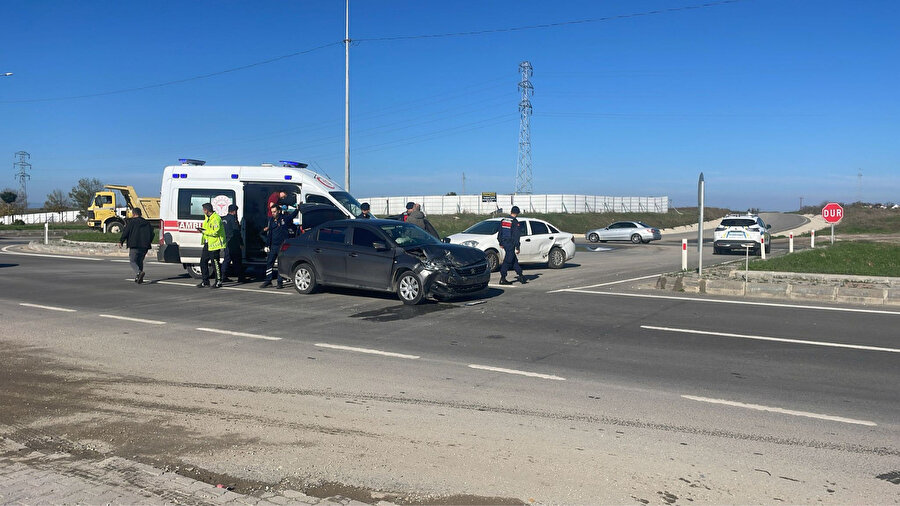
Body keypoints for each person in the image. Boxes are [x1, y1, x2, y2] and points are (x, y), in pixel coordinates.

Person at [260, 203, 295, 289]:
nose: (273, 213)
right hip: (273, 246)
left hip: (282, 246)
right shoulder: (271, 220)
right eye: (272, 212)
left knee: (280, 264)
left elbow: (292, 216)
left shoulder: (284, 219)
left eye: (275, 212)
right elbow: (270, 234)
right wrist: (267, 245)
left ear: (279, 211)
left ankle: (280, 282)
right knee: (269, 263)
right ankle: (268, 280)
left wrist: (298, 209)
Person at [118, 207, 153, 284]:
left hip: (134, 245)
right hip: (145, 246)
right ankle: (139, 278)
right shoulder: (147, 223)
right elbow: (152, 234)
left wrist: (121, 241)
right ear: (140, 214)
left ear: (133, 214)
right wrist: (148, 242)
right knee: (140, 261)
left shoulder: (131, 222)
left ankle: (139, 272)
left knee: (133, 261)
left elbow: (126, 232)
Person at [198, 203, 226, 288]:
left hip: (215, 244)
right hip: (208, 243)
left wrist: (203, 231)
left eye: (204, 210)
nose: (203, 211)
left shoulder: (216, 218)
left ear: (206, 210)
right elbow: (207, 229)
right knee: (203, 262)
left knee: (215, 264)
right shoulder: (207, 218)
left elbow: (215, 232)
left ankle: (218, 281)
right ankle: (205, 281)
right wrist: (202, 230)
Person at [498, 206, 526, 285]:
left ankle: (521, 275)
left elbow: (500, 232)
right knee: (508, 260)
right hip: (510, 243)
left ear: (511, 212)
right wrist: (517, 247)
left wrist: (500, 242)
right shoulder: (515, 222)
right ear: (517, 213)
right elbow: (516, 236)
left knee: (513, 260)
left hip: (504, 242)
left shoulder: (503, 220)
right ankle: (503, 278)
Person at [221, 204, 245, 282]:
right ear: (234, 211)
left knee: (226, 260)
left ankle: (223, 276)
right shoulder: (233, 220)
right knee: (237, 260)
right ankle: (241, 278)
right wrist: (241, 243)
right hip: (234, 242)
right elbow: (237, 232)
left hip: (226, 242)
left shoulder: (223, 219)